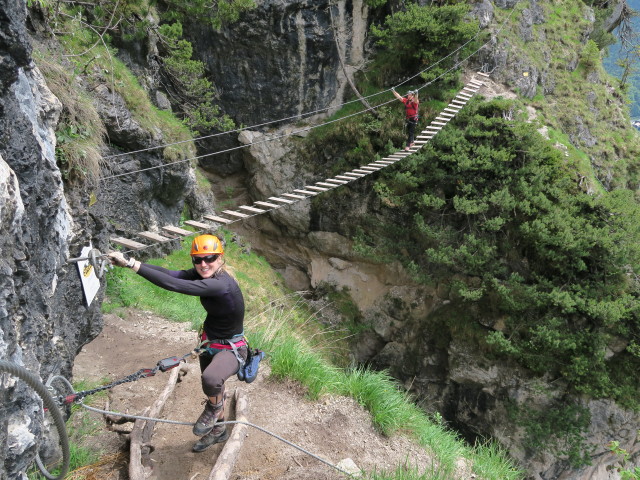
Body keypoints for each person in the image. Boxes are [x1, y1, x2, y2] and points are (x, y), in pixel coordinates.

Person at [108, 234, 247, 453]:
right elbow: (174, 274)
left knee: (211, 379)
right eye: (197, 259)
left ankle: (215, 409)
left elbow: (174, 285)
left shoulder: (220, 284)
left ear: (220, 257)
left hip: (232, 348)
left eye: (209, 258)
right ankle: (219, 430)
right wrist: (133, 263)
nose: (203, 264)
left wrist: (131, 265)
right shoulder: (209, 273)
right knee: (211, 387)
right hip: (210, 342)